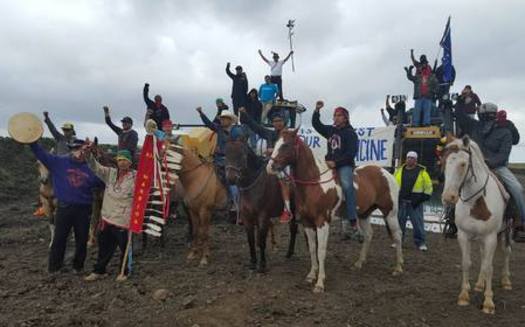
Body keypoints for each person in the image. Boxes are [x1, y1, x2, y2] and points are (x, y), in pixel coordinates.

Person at [29, 139, 104, 274]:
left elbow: (104, 181)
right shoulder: (58, 162)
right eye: (76, 149)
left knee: (81, 240)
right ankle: (54, 267)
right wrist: (31, 141)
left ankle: (78, 267)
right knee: (59, 238)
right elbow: (41, 154)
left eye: (83, 150)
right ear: (71, 150)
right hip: (64, 208)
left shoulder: (92, 168)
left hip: (83, 209)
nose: (79, 153)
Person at [456, 103, 525, 241]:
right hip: (476, 166)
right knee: (456, 182)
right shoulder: (475, 126)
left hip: (498, 167)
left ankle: (521, 221)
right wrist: (460, 102)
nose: (480, 116)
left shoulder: (505, 131)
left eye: (481, 114)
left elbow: (503, 155)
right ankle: (452, 218)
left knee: (516, 188)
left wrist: (488, 162)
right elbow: (461, 117)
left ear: (486, 115)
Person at [84, 148, 136, 282]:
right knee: (104, 247)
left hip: (123, 220)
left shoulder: (136, 177)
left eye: (125, 160)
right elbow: (95, 167)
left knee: (125, 247)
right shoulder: (110, 173)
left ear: (130, 162)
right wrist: (89, 155)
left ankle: (125, 271)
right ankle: (99, 270)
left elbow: (145, 191)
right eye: (119, 160)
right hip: (107, 218)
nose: (122, 163)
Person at [312, 101, 360, 240]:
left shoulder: (350, 134)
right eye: (334, 115)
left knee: (347, 186)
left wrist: (336, 162)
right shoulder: (331, 130)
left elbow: (351, 153)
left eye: (339, 115)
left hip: (344, 165)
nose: (335, 118)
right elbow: (317, 125)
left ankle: (352, 220)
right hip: (329, 163)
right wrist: (316, 110)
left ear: (345, 118)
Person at [239, 107, 293, 223]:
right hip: (269, 163)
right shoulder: (270, 134)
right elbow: (255, 126)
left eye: (279, 121)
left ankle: (286, 209)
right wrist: (244, 114)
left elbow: (289, 150)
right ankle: (248, 208)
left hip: (283, 164)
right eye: (275, 121)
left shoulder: (288, 135)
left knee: (283, 180)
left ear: (284, 122)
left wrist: (272, 150)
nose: (277, 123)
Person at [196, 107, 239, 211]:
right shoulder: (219, 129)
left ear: (229, 120)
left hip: (230, 162)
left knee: (230, 181)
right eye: (222, 118)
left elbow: (237, 148)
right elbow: (209, 124)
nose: (222, 120)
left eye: (224, 118)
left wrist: (223, 151)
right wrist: (201, 113)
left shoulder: (236, 132)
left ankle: (235, 203)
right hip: (217, 160)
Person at [394, 151, 433, 251]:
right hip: (402, 202)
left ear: (416, 160)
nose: (410, 160)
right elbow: (393, 184)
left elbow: (428, 188)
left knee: (418, 224)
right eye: (408, 158)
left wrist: (421, 199)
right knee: (399, 223)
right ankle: (398, 241)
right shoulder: (398, 171)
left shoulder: (422, 173)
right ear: (406, 159)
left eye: (412, 158)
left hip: (415, 204)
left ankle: (421, 243)